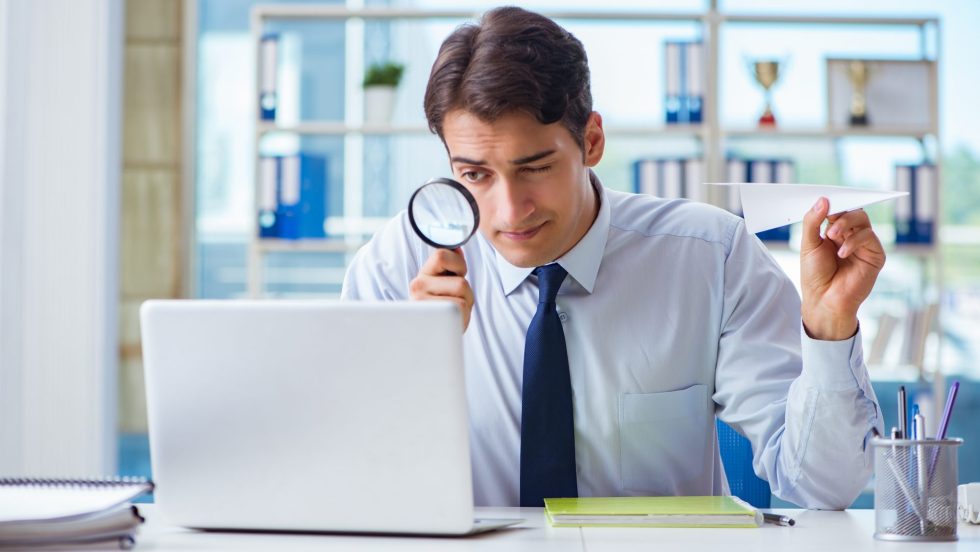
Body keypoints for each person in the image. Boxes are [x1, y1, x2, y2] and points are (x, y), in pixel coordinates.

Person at [342, 6, 884, 509]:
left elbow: (825, 484)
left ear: (592, 140)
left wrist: (830, 326)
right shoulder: (400, 265)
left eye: (534, 167)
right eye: (475, 175)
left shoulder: (712, 258)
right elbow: (352, 484)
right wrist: (413, 362)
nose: (509, 210)